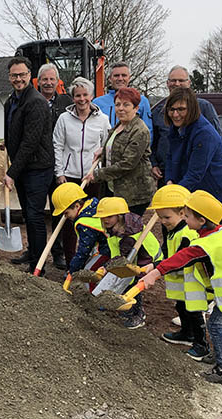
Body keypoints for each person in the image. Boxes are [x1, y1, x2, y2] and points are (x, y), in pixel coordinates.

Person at [142, 190, 222, 385]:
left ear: (201, 220)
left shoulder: (206, 244)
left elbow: (181, 258)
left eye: (187, 216)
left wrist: (155, 273)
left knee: (215, 325)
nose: (185, 218)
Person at [0, 57, 54, 274]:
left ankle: (38, 266)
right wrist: (8, 142)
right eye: (14, 75)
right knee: (29, 214)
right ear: (9, 77)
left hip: (37, 167)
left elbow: (31, 141)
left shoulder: (36, 102)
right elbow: (15, 129)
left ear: (29, 76)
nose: (18, 79)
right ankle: (33, 254)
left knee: (34, 215)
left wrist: (12, 172)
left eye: (22, 75)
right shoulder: (11, 101)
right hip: (23, 167)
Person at [147, 184, 209, 360]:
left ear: (182, 213)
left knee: (194, 310)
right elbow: (166, 251)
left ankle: (201, 344)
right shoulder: (168, 229)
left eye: (167, 217)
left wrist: (160, 269)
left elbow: (182, 259)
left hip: (192, 280)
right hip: (179, 280)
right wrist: (155, 265)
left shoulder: (188, 234)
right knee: (181, 306)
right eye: (160, 217)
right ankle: (186, 334)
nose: (163, 221)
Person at [53, 77, 110, 266]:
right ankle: (71, 264)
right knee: (70, 223)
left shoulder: (102, 120)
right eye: (78, 95)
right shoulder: (64, 119)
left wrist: (100, 171)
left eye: (85, 95)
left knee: (92, 220)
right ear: (73, 97)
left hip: (92, 177)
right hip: (70, 177)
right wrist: (59, 172)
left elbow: (107, 146)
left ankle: (91, 263)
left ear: (92, 96)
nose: (82, 99)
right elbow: (58, 145)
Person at [163, 87, 222, 225]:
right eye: (171, 109)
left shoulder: (204, 134)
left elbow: (195, 173)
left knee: (209, 239)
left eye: (181, 109)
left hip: (217, 196)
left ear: (191, 108)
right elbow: (170, 157)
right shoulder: (175, 129)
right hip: (197, 196)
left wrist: (174, 196)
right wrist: (169, 180)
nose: (175, 114)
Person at [83, 87, 155, 216]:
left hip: (133, 194)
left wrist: (97, 174)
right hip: (114, 188)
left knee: (126, 231)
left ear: (136, 108)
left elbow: (127, 164)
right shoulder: (119, 125)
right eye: (117, 104)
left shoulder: (139, 130)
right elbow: (115, 145)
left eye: (126, 105)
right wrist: (104, 151)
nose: (121, 108)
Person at [94, 197, 162, 329]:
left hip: (146, 261)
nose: (105, 219)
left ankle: (136, 314)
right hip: (129, 258)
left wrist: (108, 267)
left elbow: (122, 260)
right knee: (121, 277)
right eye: (102, 217)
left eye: (109, 216)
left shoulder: (128, 236)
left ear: (119, 216)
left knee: (133, 284)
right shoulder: (114, 228)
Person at [151, 65, 222, 184]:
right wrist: (154, 164)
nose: (177, 84)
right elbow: (154, 142)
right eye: (173, 80)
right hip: (167, 174)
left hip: (197, 175)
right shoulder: (159, 111)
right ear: (167, 83)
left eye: (181, 80)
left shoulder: (204, 107)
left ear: (189, 82)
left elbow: (216, 138)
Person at [38, 63, 74, 270]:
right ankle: (36, 250)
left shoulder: (66, 103)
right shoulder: (32, 100)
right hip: (36, 165)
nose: (49, 83)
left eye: (52, 79)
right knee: (33, 212)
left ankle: (58, 251)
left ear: (58, 82)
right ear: (39, 81)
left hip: (60, 166)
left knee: (59, 210)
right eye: (45, 79)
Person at [50, 183, 110, 293]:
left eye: (66, 213)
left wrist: (73, 268)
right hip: (109, 245)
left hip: (109, 249)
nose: (66, 217)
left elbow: (84, 250)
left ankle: (91, 297)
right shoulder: (92, 206)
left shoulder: (84, 223)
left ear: (77, 206)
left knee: (88, 272)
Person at [92, 62, 152, 139]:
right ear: (110, 78)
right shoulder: (97, 103)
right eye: (116, 76)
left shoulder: (142, 101)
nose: (120, 79)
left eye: (124, 75)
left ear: (129, 78)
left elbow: (148, 132)